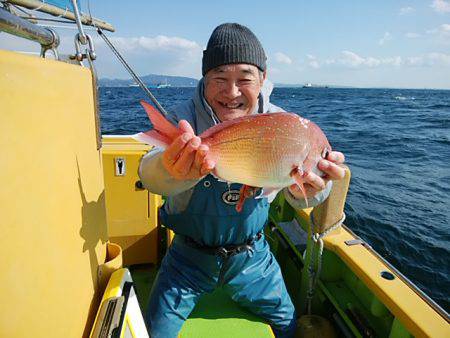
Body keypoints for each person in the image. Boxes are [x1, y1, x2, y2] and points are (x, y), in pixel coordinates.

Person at [138, 23, 345, 338]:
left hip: (254, 257)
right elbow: (147, 173)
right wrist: (170, 170)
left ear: (262, 78)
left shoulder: (286, 125)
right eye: (219, 78)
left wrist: (318, 189)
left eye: (244, 79)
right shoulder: (183, 121)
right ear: (204, 80)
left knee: (289, 328)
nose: (231, 92)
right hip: (186, 259)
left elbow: (300, 196)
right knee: (154, 331)